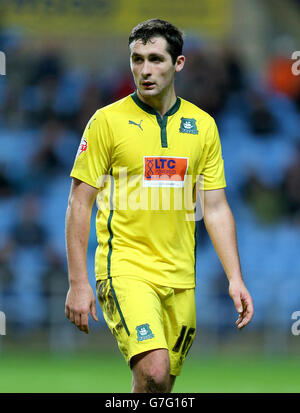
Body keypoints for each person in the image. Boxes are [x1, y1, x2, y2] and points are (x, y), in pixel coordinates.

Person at [65, 19, 254, 393]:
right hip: (126, 268)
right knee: (153, 369)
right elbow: (79, 202)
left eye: (155, 59)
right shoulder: (106, 122)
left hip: (181, 278)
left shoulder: (203, 127)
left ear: (178, 64)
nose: (145, 70)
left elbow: (215, 208)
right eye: (137, 59)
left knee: (159, 385)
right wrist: (77, 282)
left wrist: (235, 277)